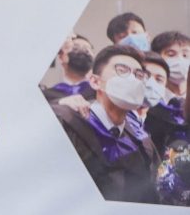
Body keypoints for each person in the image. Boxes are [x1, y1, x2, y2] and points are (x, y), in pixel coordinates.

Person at [53, 44, 160, 203]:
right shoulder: (67, 123)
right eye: (122, 70)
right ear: (95, 81)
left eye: (139, 75)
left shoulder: (142, 141)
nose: (132, 80)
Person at [42, 34, 96, 103]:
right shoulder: (46, 96)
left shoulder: (100, 92)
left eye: (87, 49)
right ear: (61, 57)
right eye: (75, 48)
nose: (83, 51)